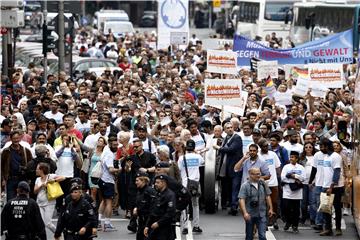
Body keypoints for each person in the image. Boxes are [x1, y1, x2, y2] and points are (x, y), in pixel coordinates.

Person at [215, 122, 244, 215]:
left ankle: (234, 207)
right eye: (228, 128)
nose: (230, 129)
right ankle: (232, 205)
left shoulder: (237, 138)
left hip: (236, 167)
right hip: (228, 167)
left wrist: (218, 148)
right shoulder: (226, 138)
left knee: (235, 187)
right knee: (230, 188)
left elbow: (231, 149)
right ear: (225, 130)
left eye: (231, 127)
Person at [239, 167, 274, 240]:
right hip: (250, 214)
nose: (259, 176)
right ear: (250, 174)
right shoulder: (245, 185)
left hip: (261, 214)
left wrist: (271, 209)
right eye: (256, 174)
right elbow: (241, 199)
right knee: (249, 236)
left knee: (262, 236)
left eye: (259, 173)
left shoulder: (263, 184)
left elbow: (267, 196)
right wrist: (245, 213)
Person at [178, 139, 204, 234]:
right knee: (195, 205)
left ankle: (184, 227)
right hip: (195, 184)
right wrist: (197, 152)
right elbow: (202, 162)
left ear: (186, 148)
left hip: (185, 184)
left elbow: (180, 169)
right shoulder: (198, 157)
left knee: (184, 206)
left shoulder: (181, 158)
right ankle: (196, 226)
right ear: (194, 148)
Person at [318, 138, 344, 236]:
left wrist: (331, 186)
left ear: (327, 146)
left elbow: (336, 172)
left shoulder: (336, 156)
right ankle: (328, 229)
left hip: (335, 187)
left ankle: (338, 228)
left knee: (337, 208)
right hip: (326, 186)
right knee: (326, 208)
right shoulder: (326, 157)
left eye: (322, 146)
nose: (321, 148)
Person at [98, 134, 121, 231]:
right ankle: (107, 223)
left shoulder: (105, 152)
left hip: (103, 180)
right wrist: (119, 169)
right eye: (114, 145)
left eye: (117, 144)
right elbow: (111, 169)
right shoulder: (109, 154)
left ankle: (98, 222)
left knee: (103, 201)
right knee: (109, 203)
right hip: (107, 181)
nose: (116, 147)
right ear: (110, 144)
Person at [1, 130, 33, 201]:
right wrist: (3, 179)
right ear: (11, 139)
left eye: (17, 138)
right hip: (10, 179)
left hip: (23, 179)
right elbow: (2, 167)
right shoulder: (6, 151)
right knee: (11, 200)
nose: (16, 140)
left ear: (20, 138)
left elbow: (31, 165)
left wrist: (29, 177)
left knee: (23, 201)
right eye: (14, 138)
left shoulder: (26, 150)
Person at [34, 162, 65, 233]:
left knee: (48, 223)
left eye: (37, 169)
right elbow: (35, 191)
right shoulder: (38, 179)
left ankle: (59, 233)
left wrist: (53, 180)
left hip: (49, 203)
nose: (36, 170)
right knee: (40, 223)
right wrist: (41, 186)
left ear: (42, 170)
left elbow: (63, 178)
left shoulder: (50, 176)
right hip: (39, 203)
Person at [144, 174, 176, 240]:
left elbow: (170, 213)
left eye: (158, 182)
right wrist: (147, 226)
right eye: (155, 182)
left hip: (164, 228)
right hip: (154, 227)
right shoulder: (157, 194)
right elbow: (152, 211)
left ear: (164, 183)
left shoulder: (170, 195)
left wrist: (159, 223)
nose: (155, 184)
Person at [281, 151, 306, 233]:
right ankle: (288, 222)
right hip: (287, 190)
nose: (291, 158)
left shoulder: (301, 167)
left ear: (297, 158)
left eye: (293, 157)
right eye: (290, 157)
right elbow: (283, 178)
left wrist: (293, 175)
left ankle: (295, 225)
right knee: (286, 208)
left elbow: (303, 178)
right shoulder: (286, 167)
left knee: (296, 209)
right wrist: (295, 178)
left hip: (297, 191)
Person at [133, 172, 157, 240]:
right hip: (141, 221)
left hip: (148, 221)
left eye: (137, 180)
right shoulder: (139, 191)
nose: (136, 182)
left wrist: (148, 225)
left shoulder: (150, 191)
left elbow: (153, 208)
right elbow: (138, 203)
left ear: (143, 180)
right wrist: (136, 208)